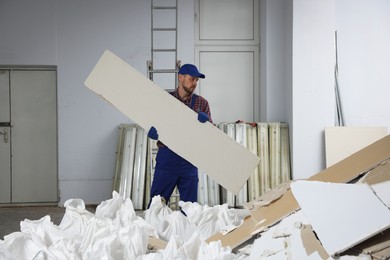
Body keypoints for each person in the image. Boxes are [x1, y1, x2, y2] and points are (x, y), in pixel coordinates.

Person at [147, 64, 213, 207]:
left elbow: (212, 136)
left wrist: (206, 125)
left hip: (189, 160)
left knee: (190, 209)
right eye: (192, 79)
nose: (195, 83)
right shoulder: (165, 100)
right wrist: (151, 131)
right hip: (167, 159)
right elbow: (153, 122)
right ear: (181, 78)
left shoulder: (202, 103)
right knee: (156, 205)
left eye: (196, 80)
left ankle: (187, 230)